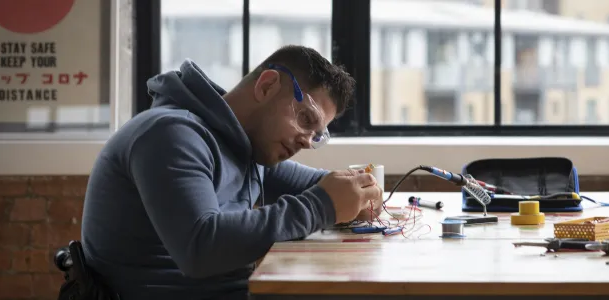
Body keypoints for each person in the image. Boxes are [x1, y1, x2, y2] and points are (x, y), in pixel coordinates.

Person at [79, 45, 383, 300]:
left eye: (317, 135)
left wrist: (356, 192)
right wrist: (323, 205)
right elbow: (200, 249)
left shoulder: (246, 147)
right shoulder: (172, 135)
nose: (306, 140)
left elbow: (318, 185)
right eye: (306, 118)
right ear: (266, 86)